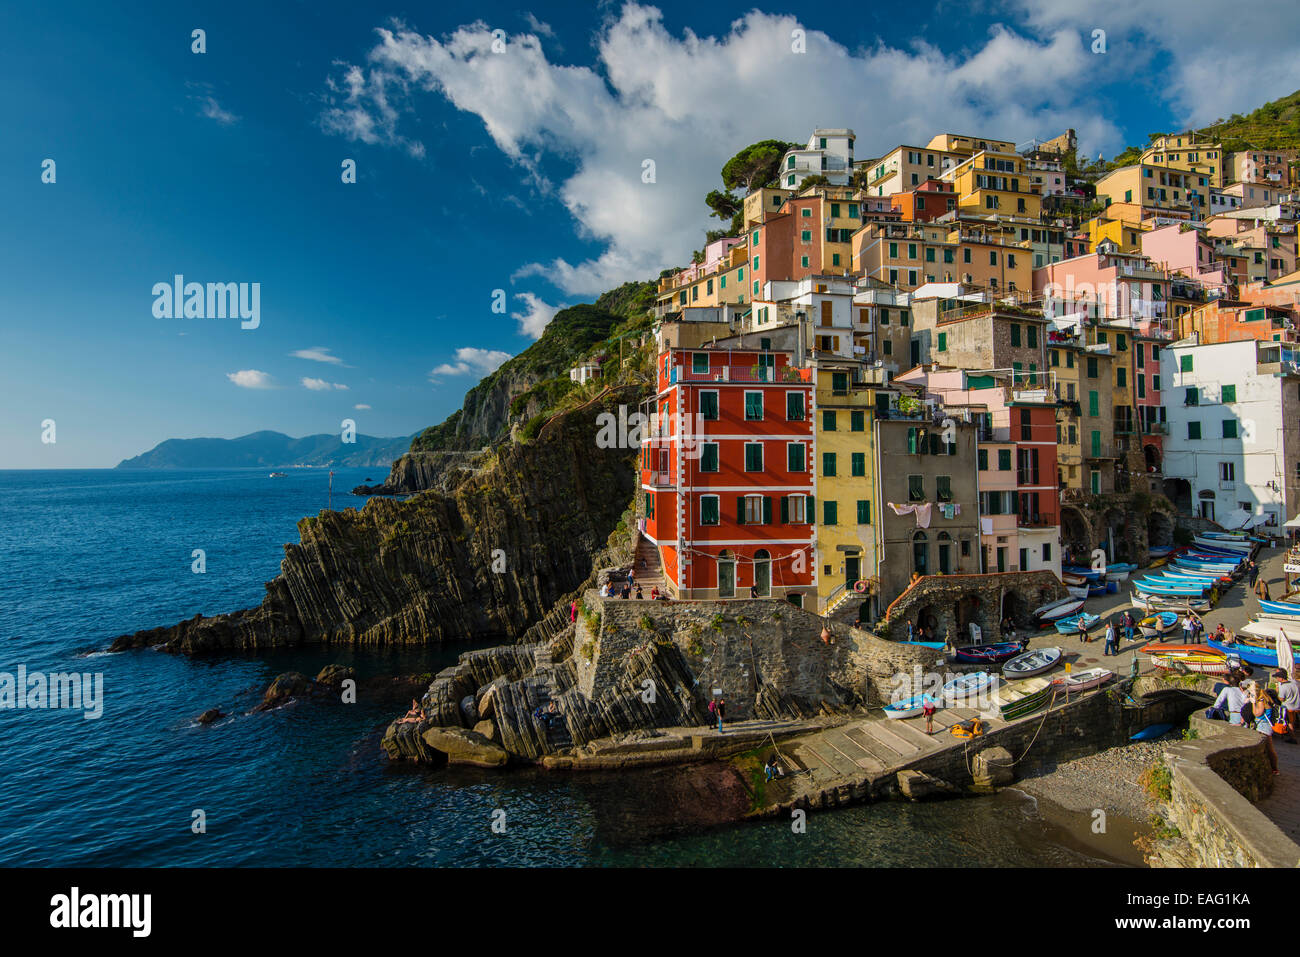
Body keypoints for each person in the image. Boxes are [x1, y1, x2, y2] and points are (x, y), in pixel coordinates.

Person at [1253, 687, 1282, 774]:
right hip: (1265, 726)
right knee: (1268, 749)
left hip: (1264, 726)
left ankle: (1275, 769)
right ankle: (1274, 768)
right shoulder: (1267, 700)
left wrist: (1253, 704)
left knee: (1269, 749)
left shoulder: (1262, 701)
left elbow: (1257, 713)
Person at [1274, 668, 1300, 741]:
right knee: (1293, 721)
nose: (1276, 678)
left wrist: (1277, 694)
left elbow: (1281, 698)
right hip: (1297, 706)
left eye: (1277, 677)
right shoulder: (1294, 683)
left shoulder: (1283, 687)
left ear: (1281, 678)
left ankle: (1293, 738)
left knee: (1290, 723)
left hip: (1289, 707)